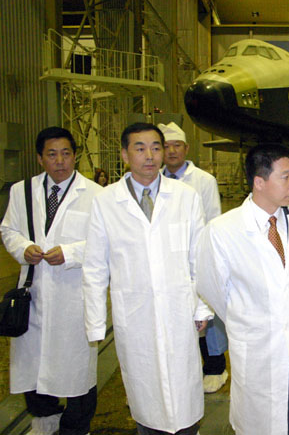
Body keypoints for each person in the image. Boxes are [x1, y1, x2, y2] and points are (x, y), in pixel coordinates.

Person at [81, 122, 211, 435]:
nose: (150, 156)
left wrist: (202, 307)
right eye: (140, 148)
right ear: (125, 155)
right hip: (135, 312)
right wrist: (95, 322)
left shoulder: (186, 196)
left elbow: (200, 257)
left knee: (183, 389)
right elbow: (95, 266)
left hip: (179, 309)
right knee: (145, 389)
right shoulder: (106, 201)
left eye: (155, 148)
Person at [196, 144, 289, 435]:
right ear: (259, 181)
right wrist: (249, 319)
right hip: (257, 347)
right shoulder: (222, 230)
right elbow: (211, 288)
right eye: (286, 176)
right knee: (261, 423)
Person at [0, 127, 102, 435]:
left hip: (74, 296)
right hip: (34, 293)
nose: (60, 161)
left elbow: (107, 241)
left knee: (77, 371)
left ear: (75, 156)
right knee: (34, 365)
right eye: (52, 154)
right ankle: (44, 419)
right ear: (40, 158)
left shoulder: (96, 195)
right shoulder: (22, 191)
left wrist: (70, 252)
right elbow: (8, 229)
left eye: (66, 153)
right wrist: (23, 248)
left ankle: (76, 427)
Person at [158, 122, 227, 393]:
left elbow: (213, 221)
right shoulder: (155, 180)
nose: (171, 151)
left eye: (177, 145)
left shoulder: (203, 181)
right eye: (165, 146)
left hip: (197, 258)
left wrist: (207, 260)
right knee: (175, 320)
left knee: (206, 315)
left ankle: (215, 367)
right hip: (167, 262)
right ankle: (182, 371)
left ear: (186, 148)